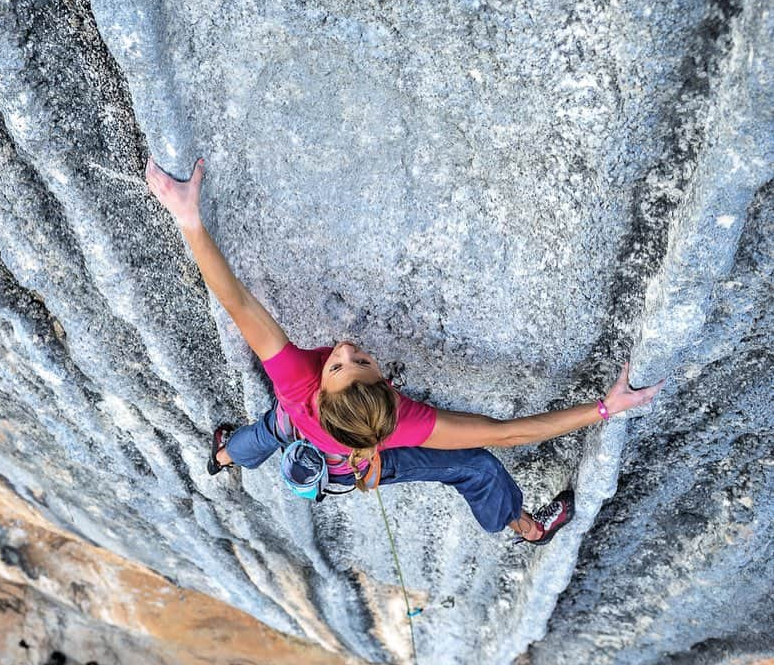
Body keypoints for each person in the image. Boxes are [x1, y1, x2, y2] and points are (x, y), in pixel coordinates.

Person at [145, 157, 664, 544]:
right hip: (351, 464)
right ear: (388, 390)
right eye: (356, 363)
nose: (346, 350)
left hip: (299, 429)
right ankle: (526, 528)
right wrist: (605, 408)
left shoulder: (297, 385)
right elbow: (509, 433)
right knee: (476, 467)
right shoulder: (405, 422)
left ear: (319, 391)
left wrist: (188, 218)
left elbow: (236, 303)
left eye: (341, 364)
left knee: (269, 429)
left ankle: (221, 456)